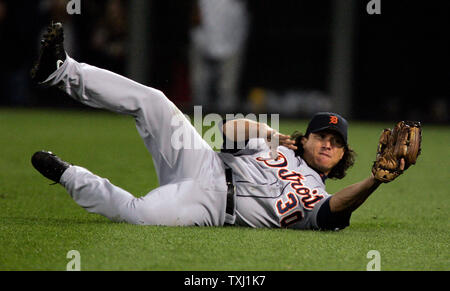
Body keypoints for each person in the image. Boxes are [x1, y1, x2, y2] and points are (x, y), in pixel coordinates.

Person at [31, 23, 388, 231]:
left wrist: (374, 181)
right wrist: (272, 134)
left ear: (342, 155)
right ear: (305, 138)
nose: (328, 144)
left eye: (336, 142)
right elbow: (228, 133)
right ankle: (62, 72)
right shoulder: (275, 147)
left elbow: (335, 211)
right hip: (203, 161)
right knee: (155, 101)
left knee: (142, 215)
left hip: (211, 206)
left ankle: (70, 176)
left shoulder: (321, 200)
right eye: (322, 136)